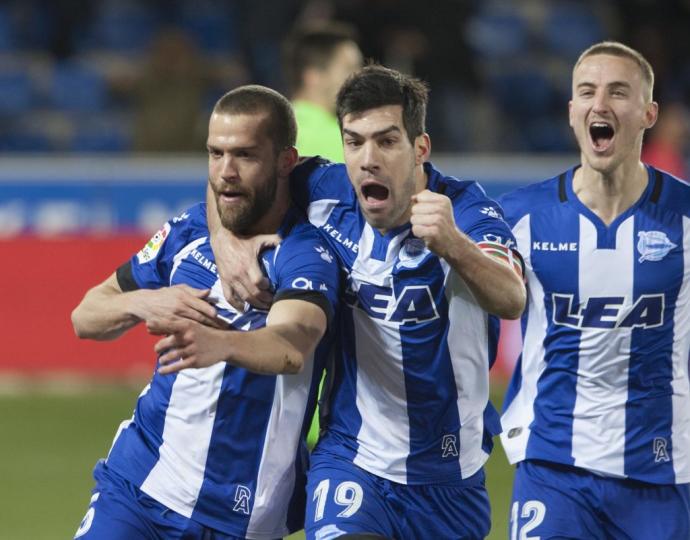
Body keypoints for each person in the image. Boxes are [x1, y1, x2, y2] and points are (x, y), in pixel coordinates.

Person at [209, 65, 526, 540]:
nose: (367, 160)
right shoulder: (323, 190)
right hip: (351, 459)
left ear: (420, 148)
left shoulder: (467, 212)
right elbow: (236, 177)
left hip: (449, 481)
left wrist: (454, 245)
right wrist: (224, 242)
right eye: (354, 142)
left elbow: (511, 298)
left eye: (386, 141)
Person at [70, 85, 340, 539]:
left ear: (285, 161)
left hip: (242, 515)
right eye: (215, 154)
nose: (225, 172)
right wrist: (144, 301)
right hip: (139, 484)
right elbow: (85, 316)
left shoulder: (304, 253)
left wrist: (220, 343)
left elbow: (293, 346)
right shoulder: (189, 230)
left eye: (244, 156)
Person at [499, 41, 690, 539]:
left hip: (664, 473)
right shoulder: (519, 217)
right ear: (571, 112)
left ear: (648, 113)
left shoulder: (686, 218)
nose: (600, 104)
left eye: (618, 92)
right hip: (552, 468)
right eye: (587, 91)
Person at [283, 22, 363, 162]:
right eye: (349, 69)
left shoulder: (273, 128)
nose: (361, 79)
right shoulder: (343, 139)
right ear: (313, 76)